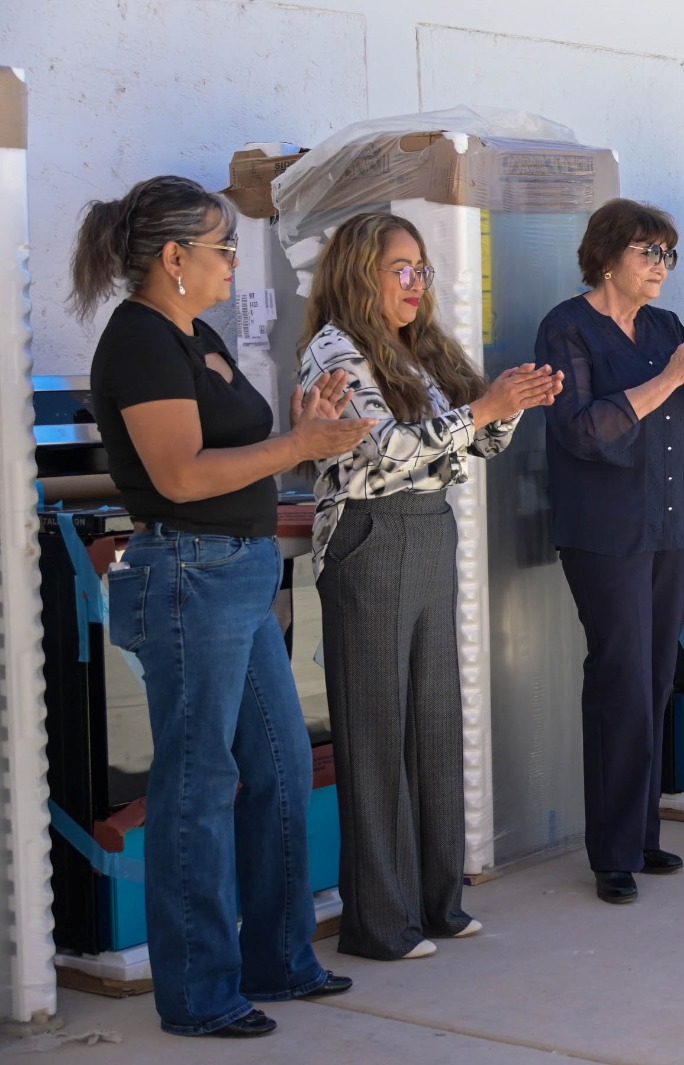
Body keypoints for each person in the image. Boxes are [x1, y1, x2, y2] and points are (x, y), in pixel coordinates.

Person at [76, 175, 371, 1037]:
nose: (236, 263)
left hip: (237, 573)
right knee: (197, 785)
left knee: (277, 767)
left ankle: (279, 958)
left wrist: (299, 425)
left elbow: (237, 447)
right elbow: (179, 475)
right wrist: (298, 444)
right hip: (189, 577)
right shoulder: (139, 343)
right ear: (174, 259)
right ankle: (200, 992)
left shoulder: (194, 333)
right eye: (224, 248)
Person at [298, 212, 561, 959]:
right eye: (402, 269)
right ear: (360, 274)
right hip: (370, 537)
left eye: (423, 270)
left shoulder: (414, 349)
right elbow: (380, 451)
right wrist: (482, 409)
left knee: (435, 725)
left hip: (427, 526)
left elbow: (472, 440)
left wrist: (510, 404)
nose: (418, 284)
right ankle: (379, 924)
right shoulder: (333, 350)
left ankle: (436, 903)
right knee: (377, 736)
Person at [536, 200, 684, 904]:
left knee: (654, 679)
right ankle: (612, 850)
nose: (661, 267)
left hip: (667, 526)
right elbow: (586, 430)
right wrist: (673, 375)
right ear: (608, 254)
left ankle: (643, 833)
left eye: (667, 255)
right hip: (604, 533)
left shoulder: (667, 329)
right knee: (620, 677)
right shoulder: (567, 327)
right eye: (649, 252)